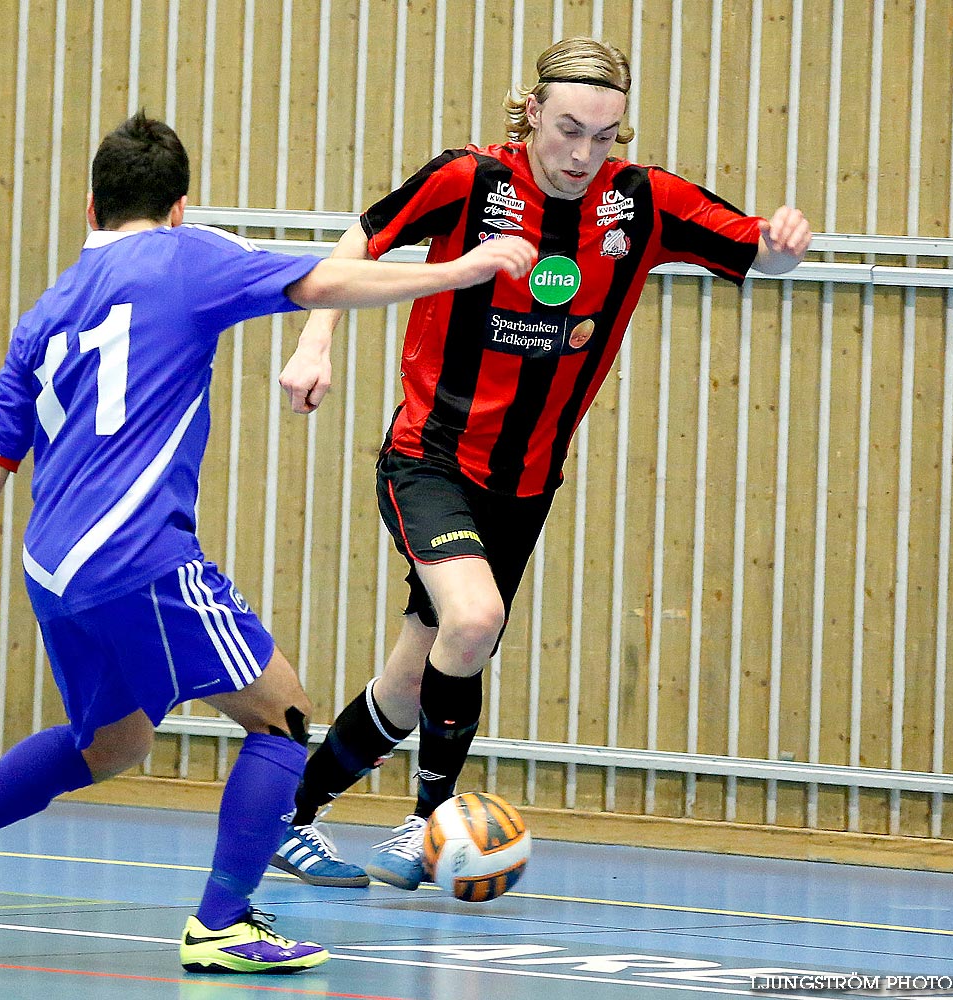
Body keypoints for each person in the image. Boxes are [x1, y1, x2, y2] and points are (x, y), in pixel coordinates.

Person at [0, 111, 537, 974]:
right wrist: (465, 267)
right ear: (180, 207)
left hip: (51, 565)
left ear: (88, 207)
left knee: (112, 744)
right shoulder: (189, 258)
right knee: (283, 715)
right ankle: (223, 922)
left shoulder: (48, 310)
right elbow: (330, 282)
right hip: (137, 552)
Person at [270, 36, 812, 891]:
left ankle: (287, 817)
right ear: (530, 112)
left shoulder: (642, 203)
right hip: (430, 456)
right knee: (475, 623)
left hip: (525, 485)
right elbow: (359, 244)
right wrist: (316, 338)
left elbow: (757, 252)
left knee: (414, 682)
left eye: (604, 135)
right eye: (567, 130)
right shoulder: (469, 181)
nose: (582, 154)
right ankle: (429, 822)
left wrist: (784, 242)